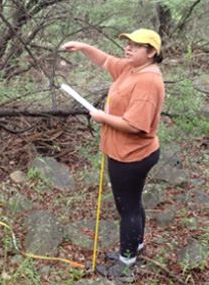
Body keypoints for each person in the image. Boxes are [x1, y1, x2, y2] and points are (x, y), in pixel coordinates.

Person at [62, 29, 164, 282]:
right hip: (124, 151)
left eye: (136, 46)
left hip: (131, 155)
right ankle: (135, 248)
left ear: (152, 52)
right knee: (133, 203)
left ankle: (127, 262)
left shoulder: (148, 81)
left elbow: (135, 124)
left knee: (127, 209)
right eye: (128, 44)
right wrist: (84, 45)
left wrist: (101, 117)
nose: (128, 49)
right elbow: (106, 60)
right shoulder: (131, 68)